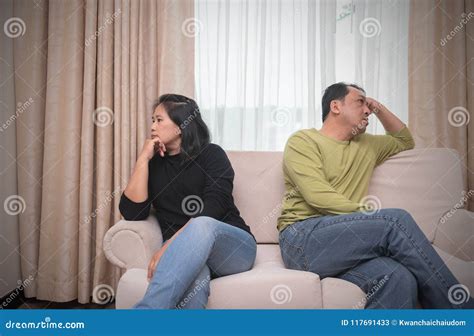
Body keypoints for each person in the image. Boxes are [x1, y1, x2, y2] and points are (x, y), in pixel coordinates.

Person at [277, 82, 473, 309]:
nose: (367, 110)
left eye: (368, 105)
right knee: (394, 220)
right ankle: (462, 311)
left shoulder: (367, 145)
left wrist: (377, 106)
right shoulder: (303, 141)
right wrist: (375, 219)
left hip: (347, 246)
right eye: (360, 102)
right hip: (303, 240)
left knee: (399, 277)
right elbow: (317, 196)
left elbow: (405, 140)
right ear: (335, 107)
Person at [119, 94, 256, 309]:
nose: (153, 127)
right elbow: (133, 213)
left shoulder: (212, 154)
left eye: (159, 120)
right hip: (187, 254)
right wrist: (143, 159)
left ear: (181, 126)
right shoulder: (154, 164)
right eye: (152, 120)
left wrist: (170, 246)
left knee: (201, 224)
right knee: (194, 281)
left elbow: (214, 207)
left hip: (233, 249)